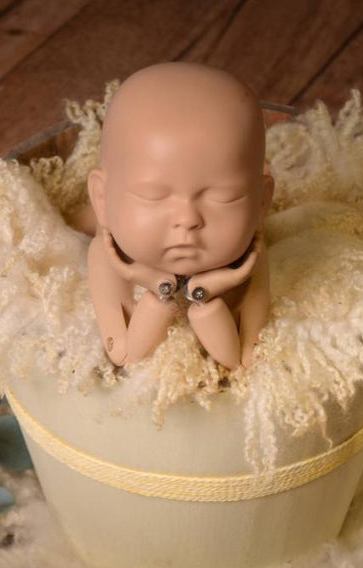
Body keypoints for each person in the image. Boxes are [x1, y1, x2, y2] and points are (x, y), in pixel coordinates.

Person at [84, 62, 274, 369]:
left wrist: (204, 298)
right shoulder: (107, 256)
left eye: (223, 197)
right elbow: (125, 354)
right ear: (102, 199)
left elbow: (241, 359)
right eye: (153, 195)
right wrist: (154, 288)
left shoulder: (250, 259)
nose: (187, 219)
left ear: (261, 203)